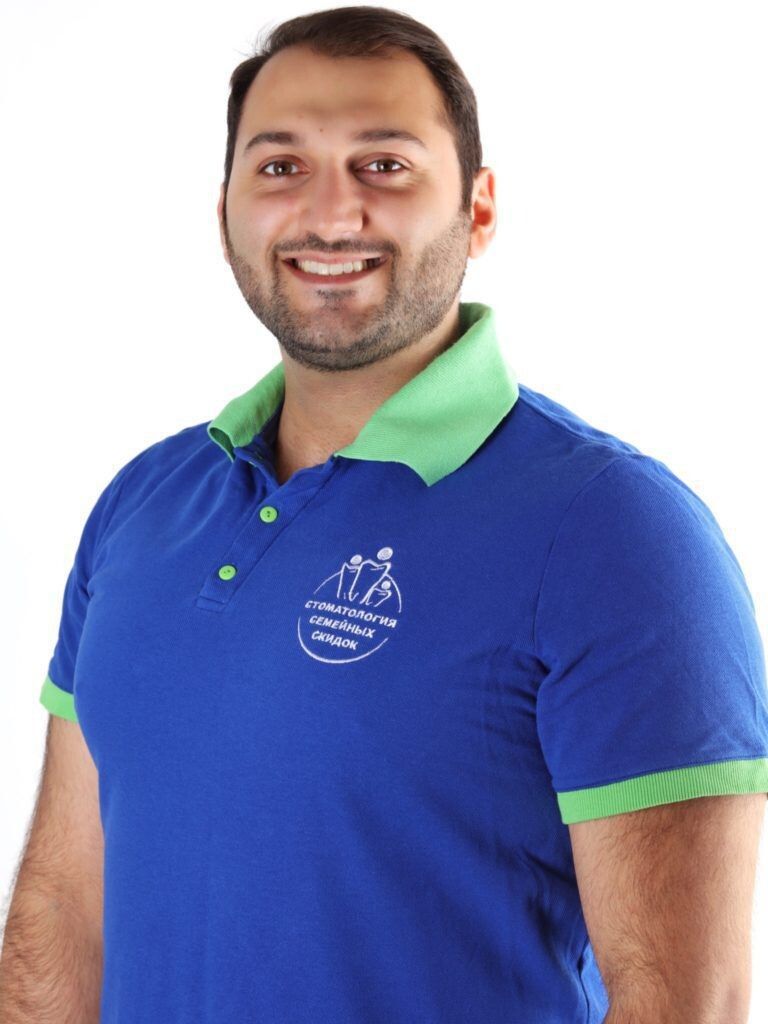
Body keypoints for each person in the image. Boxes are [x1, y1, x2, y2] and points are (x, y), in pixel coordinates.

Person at [2, 6, 766, 1023]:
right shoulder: (143, 505)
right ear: (226, 210)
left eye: (385, 166)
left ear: (478, 210)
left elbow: (685, 1005)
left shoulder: (616, 531)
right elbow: (62, 909)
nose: (331, 214)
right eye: (282, 167)